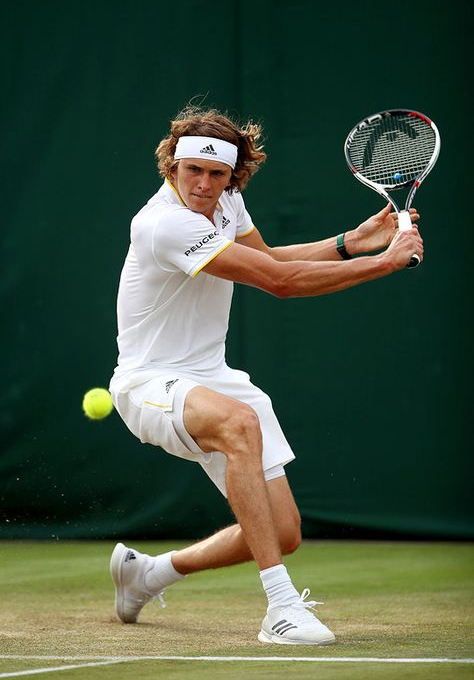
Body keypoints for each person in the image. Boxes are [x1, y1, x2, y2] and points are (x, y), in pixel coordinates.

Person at [109, 105, 423, 646]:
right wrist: (385, 263)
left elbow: (270, 259)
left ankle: (148, 574)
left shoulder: (228, 202)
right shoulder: (163, 224)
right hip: (147, 383)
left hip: (210, 375)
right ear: (171, 166)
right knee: (240, 423)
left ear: (234, 176)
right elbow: (279, 283)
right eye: (193, 171)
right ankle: (280, 609)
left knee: (282, 532)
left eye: (217, 174)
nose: (205, 185)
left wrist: (351, 242)